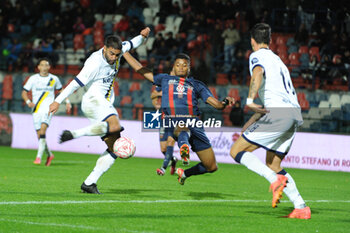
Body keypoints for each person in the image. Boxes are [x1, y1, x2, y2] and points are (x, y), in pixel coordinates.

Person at [49, 27, 151, 194]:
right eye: (111, 54)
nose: (115, 58)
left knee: (115, 147)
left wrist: (142, 36)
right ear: (104, 48)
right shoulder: (94, 63)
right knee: (115, 124)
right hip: (93, 100)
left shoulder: (119, 49)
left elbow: (132, 43)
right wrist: (57, 101)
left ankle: (90, 183)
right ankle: (75, 134)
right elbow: (75, 83)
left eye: (117, 55)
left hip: (103, 103)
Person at [229, 23, 311, 219]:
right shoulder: (278, 61)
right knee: (273, 164)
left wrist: (249, 100)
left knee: (236, 151)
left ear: (252, 41)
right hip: (292, 115)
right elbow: (272, 97)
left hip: (279, 114)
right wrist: (251, 121)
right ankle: (301, 207)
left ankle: (274, 181)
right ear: (270, 40)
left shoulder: (257, 56)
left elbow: (257, 74)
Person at [123, 52, 234, 185]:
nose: (181, 67)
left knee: (211, 166)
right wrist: (124, 52)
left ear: (189, 68)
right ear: (174, 67)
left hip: (195, 124)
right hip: (174, 120)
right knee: (182, 127)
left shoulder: (197, 85)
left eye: (184, 65)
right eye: (178, 65)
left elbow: (217, 105)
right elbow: (139, 68)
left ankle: (185, 173)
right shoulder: (165, 79)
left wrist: (226, 102)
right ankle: (184, 147)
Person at [22, 57, 71, 166]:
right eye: (42, 65)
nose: (44, 67)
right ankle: (49, 154)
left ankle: (38, 158)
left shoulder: (54, 79)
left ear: (49, 67)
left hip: (48, 109)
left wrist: (67, 102)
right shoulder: (33, 78)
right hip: (36, 110)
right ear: (38, 67)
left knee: (43, 131)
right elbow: (24, 92)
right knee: (40, 136)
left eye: (46, 65)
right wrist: (28, 101)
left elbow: (61, 91)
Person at [150, 85, 177, 175]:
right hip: (163, 120)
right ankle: (172, 159)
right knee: (163, 149)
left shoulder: (179, 87)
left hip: (175, 119)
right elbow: (152, 95)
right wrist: (160, 96)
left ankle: (163, 168)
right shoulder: (163, 85)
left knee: (170, 141)